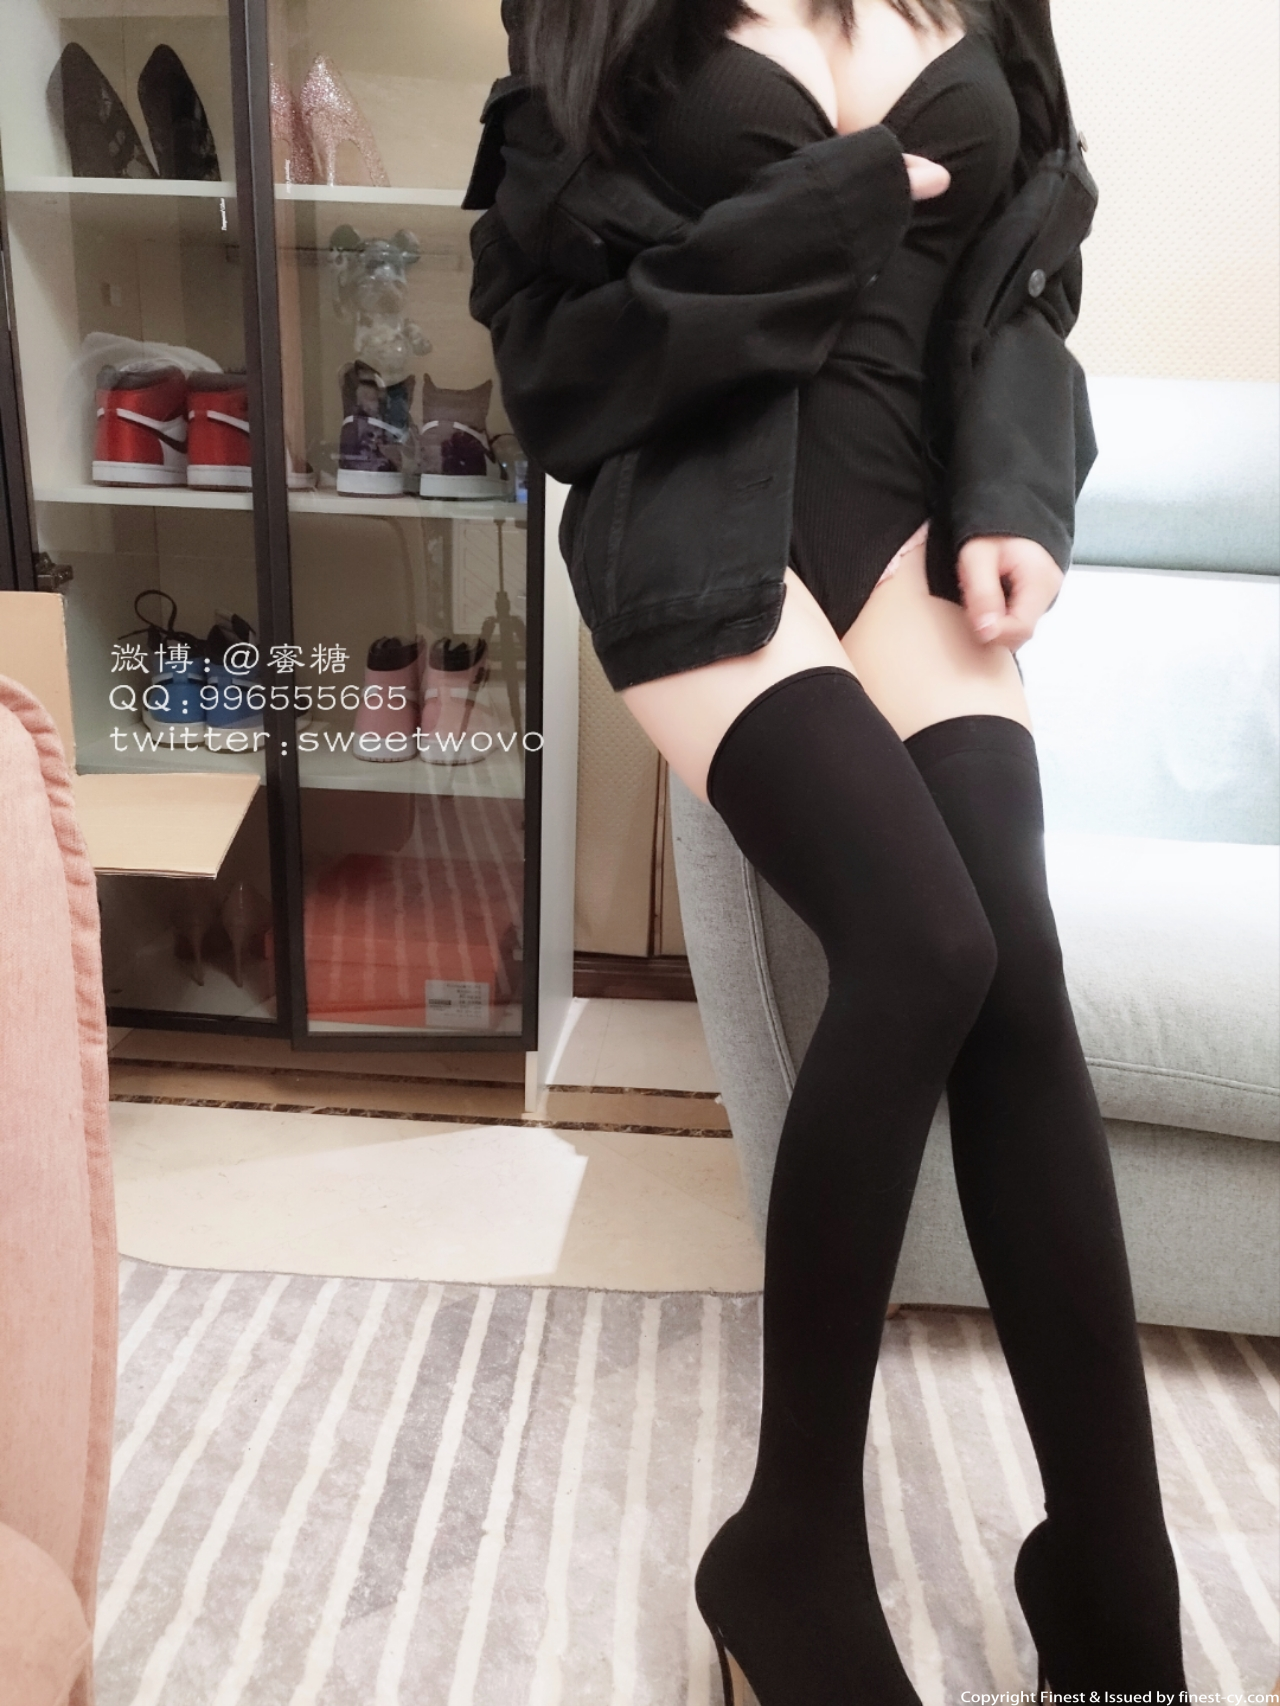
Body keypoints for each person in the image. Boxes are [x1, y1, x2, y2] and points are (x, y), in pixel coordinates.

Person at [469, 1, 1188, 1700]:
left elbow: (1026, 278)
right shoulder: (603, 20)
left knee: (1016, 969)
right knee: (924, 945)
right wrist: (835, 207)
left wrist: (1016, 492)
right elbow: (556, 367)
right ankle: (790, 1543)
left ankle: (1112, 1572)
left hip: (909, 513)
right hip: (695, 505)